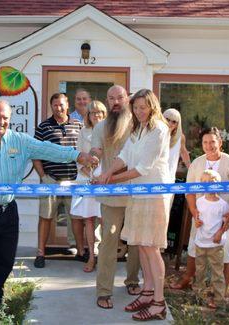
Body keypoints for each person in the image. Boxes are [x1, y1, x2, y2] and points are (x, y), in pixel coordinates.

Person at [0, 99, 97, 324]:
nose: (2, 121)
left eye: (5, 117)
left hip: (8, 210)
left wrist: (77, 156)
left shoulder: (20, 141)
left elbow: (48, 149)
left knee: (4, 259)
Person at [97, 89, 171, 321]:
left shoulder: (159, 129)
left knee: (151, 249)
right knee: (141, 246)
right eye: (136, 108)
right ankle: (147, 293)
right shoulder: (139, 128)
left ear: (152, 106)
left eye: (143, 107)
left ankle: (159, 303)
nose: (139, 111)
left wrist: (110, 180)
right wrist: (108, 172)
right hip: (137, 196)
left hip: (153, 196)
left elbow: (142, 168)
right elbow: (125, 155)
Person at [170, 127, 229, 295]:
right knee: (194, 246)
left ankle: (223, 289)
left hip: (226, 215)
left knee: (227, 249)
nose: (209, 145)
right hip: (202, 216)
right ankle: (188, 278)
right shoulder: (197, 163)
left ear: (220, 142)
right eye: (205, 142)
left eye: (212, 142)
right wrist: (194, 210)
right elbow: (189, 191)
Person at [90, 85, 141, 309]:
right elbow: (96, 153)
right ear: (107, 102)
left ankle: (132, 281)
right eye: (111, 98)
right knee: (108, 242)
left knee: (137, 241)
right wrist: (91, 162)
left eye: (119, 97)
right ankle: (103, 291)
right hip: (110, 195)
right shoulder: (101, 127)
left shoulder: (139, 125)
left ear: (127, 99)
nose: (115, 102)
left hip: (137, 193)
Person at [34, 93, 84, 269]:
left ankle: (81, 251)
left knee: (76, 218)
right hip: (51, 181)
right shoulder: (43, 127)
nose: (59, 108)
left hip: (73, 182)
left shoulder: (79, 125)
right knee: (45, 217)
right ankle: (40, 253)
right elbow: (35, 155)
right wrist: (43, 177)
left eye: (61, 105)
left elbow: (84, 151)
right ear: (51, 106)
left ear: (67, 105)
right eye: (55, 105)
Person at [70, 100, 106, 273]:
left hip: (105, 178)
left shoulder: (110, 131)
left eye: (99, 112)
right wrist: (85, 170)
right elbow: (78, 155)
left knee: (106, 219)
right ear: (88, 116)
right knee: (88, 219)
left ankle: (105, 258)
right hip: (85, 177)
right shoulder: (83, 132)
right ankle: (91, 256)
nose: (96, 115)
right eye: (93, 112)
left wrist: (100, 174)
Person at [193, 169, 229, 310]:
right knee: (199, 271)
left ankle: (219, 300)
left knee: (217, 273)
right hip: (200, 242)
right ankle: (199, 296)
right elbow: (197, 218)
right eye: (204, 182)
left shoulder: (223, 204)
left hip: (215, 244)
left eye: (211, 182)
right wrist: (197, 222)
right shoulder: (199, 201)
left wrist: (220, 232)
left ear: (218, 184)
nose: (208, 184)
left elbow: (226, 222)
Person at [162, 108, 191, 181]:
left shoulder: (180, 137)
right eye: (167, 119)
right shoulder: (154, 135)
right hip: (152, 177)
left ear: (177, 124)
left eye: (174, 121)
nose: (170, 123)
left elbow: (184, 153)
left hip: (169, 177)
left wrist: (191, 170)